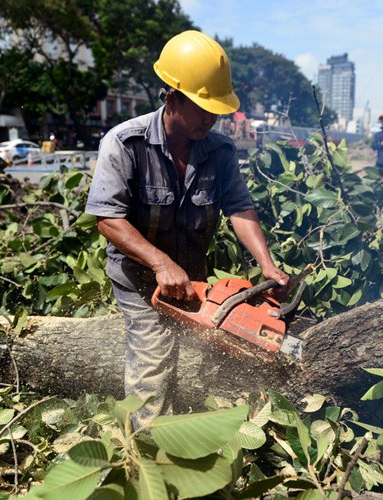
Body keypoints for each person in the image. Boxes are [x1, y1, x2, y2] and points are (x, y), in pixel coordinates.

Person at [85, 30, 289, 428]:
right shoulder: (126, 143)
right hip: (140, 277)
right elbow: (108, 220)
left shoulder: (221, 151)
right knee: (154, 358)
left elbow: (241, 208)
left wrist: (266, 264)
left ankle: (195, 426)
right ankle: (143, 449)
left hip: (192, 275)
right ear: (171, 96)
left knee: (222, 344)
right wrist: (160, 263)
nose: (209, 119)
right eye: (200, 108)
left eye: (215, 111)